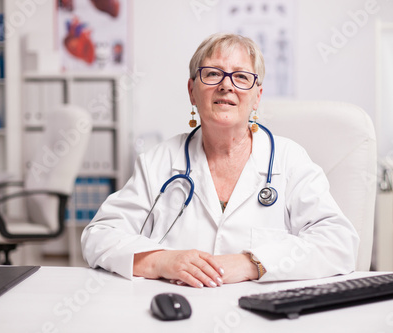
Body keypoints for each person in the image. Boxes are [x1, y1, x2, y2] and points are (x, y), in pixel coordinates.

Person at [81, 32, 359, 288]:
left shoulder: (289, 160)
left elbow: (340, 243)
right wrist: (162, 260)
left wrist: (251, 263)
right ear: (192, 91)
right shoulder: (159, 161)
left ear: (257, 96)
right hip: (176, 314)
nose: (226, 85)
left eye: (241, 77)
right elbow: (99, 236)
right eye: (213, 74)